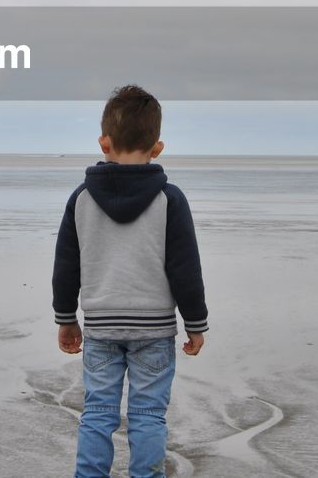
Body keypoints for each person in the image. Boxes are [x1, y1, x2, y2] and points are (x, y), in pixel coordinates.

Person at [52, 84, 209, 478]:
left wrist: (66, 319)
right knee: (148, 414)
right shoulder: (170, 200)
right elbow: (185, 268)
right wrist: (196, 324)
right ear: (157, 148)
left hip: (102, 327)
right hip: (154, 330)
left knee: (98, 413)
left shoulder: (82, 198)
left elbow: (66, 265)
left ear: (104, 143)